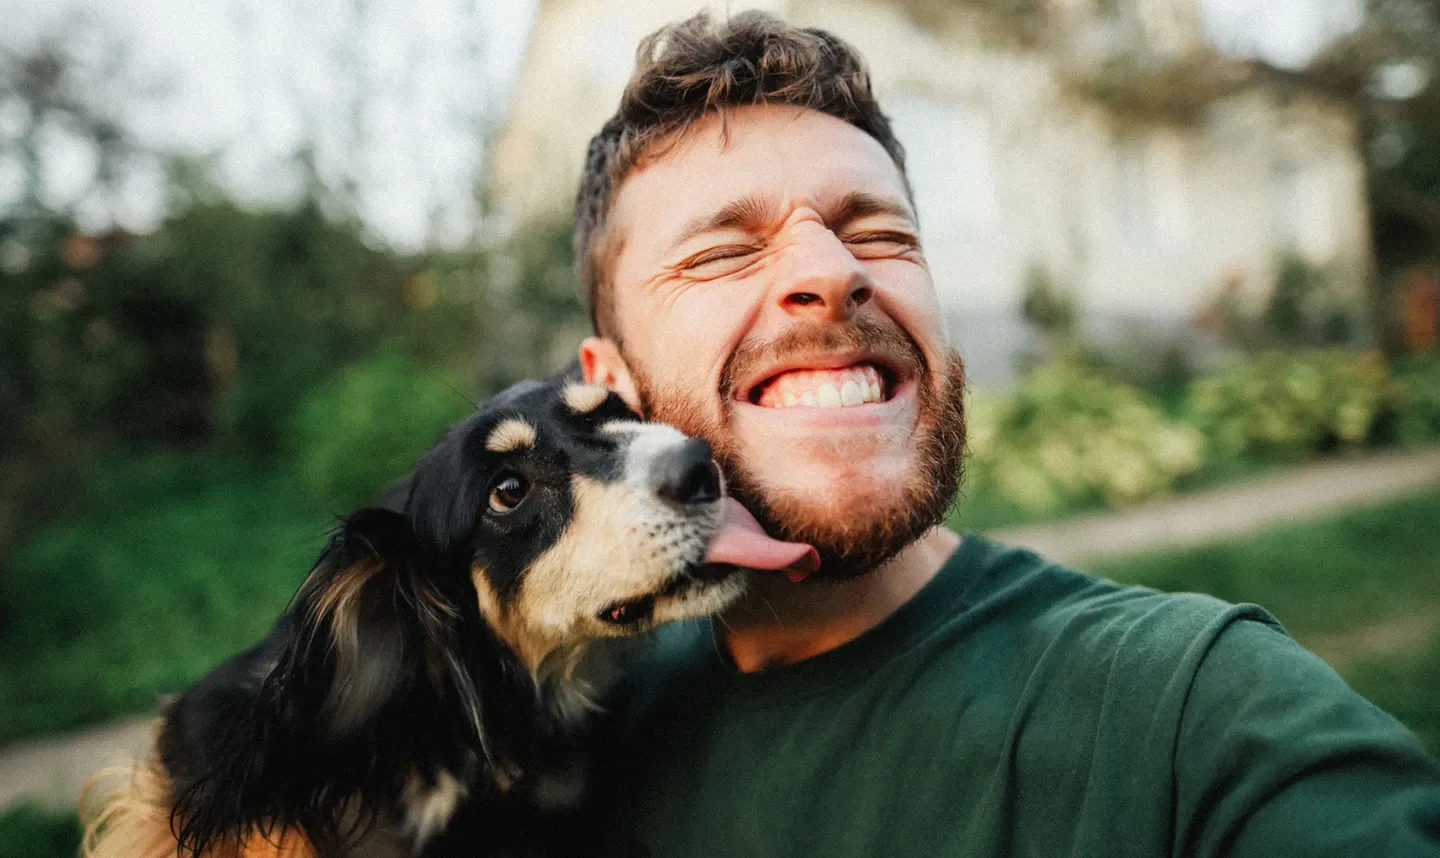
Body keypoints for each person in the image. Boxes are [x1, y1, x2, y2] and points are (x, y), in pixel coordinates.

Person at [570, 11, 1440, 856]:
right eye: (723, 251)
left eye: (880, 234)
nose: (834, 272)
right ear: (609, 389)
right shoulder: (573, 721)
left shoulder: (1190, 713)